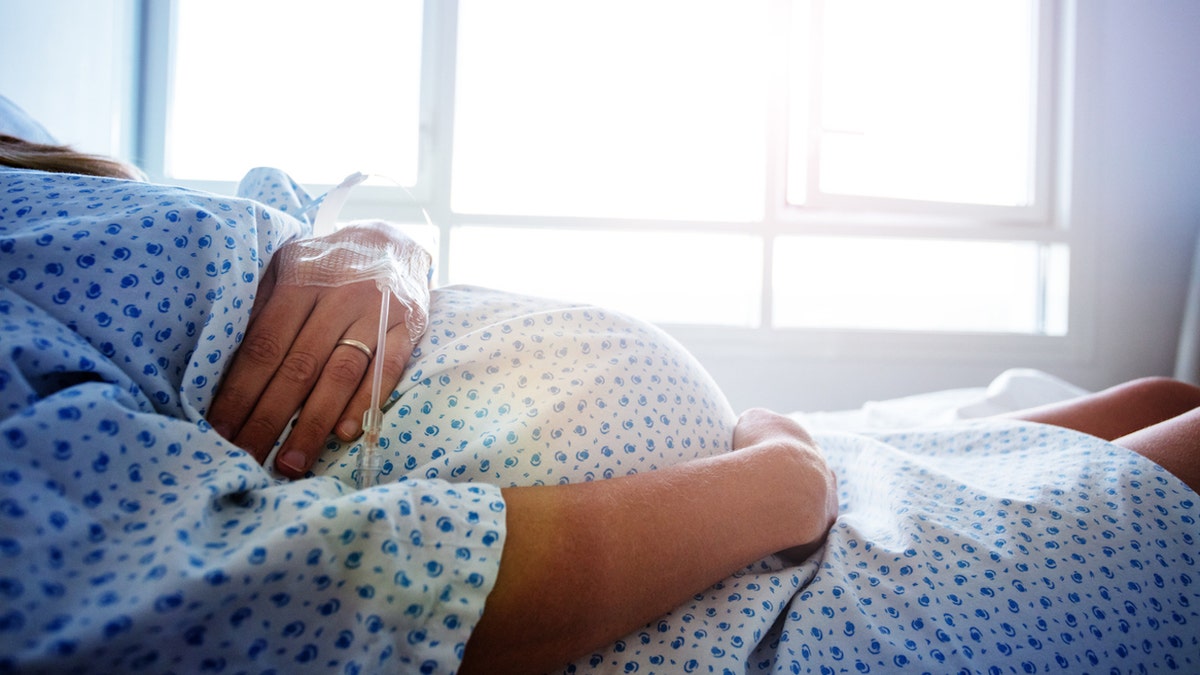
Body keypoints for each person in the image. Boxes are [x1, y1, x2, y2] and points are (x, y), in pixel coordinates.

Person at [1, 119, 1197, 674]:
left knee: (1153, 391)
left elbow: (256, 243)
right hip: (751, 597)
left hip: (771, 499)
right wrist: (776, 487)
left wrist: (379, 250)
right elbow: (309, 597)